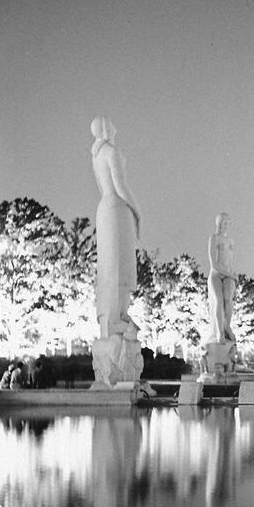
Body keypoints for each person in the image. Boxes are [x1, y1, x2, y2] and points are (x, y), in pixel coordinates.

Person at [90, 116, 142, 340]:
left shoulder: (96, 155)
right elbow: (121, 187)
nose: (115, 126)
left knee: (110, 265)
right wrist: (138, 212)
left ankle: (113, 316)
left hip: (104, 209)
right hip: (118, 209)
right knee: (120, 264)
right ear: (106, 129)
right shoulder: (112, 152)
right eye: (111, 124)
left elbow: (103, 187)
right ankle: (117, 316)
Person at [207, 213, 237, 344]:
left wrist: (232, 274)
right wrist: (232, 275)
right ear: (219, 223)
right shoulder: (214, 238)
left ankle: (227, 327)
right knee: (219, 300)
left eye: (229, 223)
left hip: (228, 275)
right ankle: (220, 331)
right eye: (225, 222)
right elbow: (214, 264)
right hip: (216, 274)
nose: (227, 225)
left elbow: (230, 261)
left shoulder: (230, 241)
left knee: (228, 301)